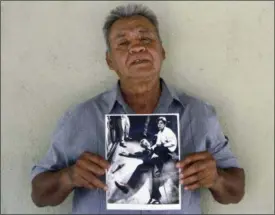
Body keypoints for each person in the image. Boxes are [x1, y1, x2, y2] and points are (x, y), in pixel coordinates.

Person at [31, 3, 245, 214]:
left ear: (162, 51)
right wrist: (69, 177)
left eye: (146, 38)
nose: (137, 47)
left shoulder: (199, 115)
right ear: (109, 61)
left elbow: (235, 192)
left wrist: (216, 178)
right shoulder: (81, 118)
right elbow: (39, 195)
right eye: (123, 43)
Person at [115, 117, 178, 204]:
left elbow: (166, 147)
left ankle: (155, 198)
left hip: (158, 161)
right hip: (150, 163)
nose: (144, 143)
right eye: (142, 144)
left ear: (148, 142)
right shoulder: (145, 152)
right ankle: (127, 187)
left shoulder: (156, 141)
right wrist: (126, 154)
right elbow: (136, 155)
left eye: (144, 141)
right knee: (139, 167)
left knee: (155, 174)